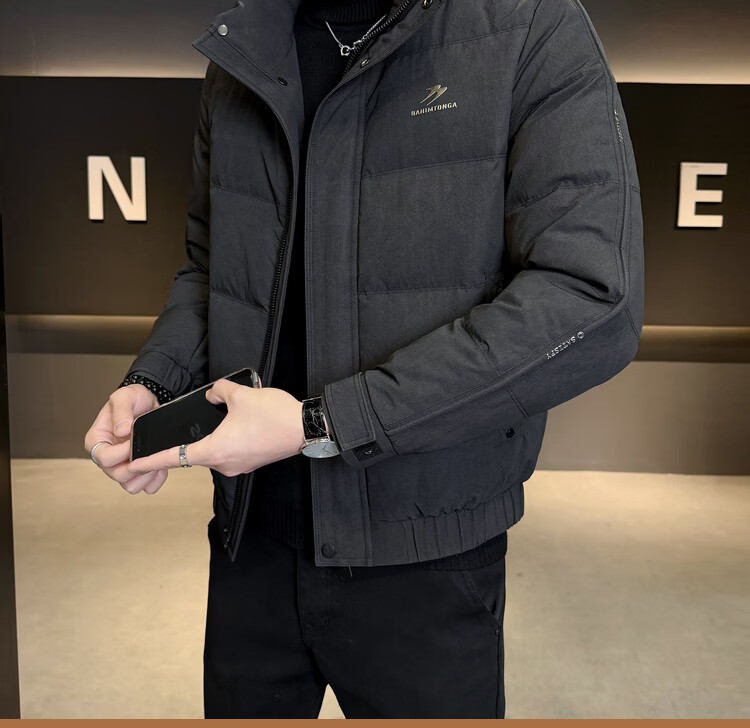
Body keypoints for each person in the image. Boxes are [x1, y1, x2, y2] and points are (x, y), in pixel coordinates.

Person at [84, 0, 644, 718]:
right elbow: (212, 267)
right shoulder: (243, 46)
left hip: (425, 555)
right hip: (250, 539)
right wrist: (155, 379)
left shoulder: (529, 26)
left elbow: (592, 297)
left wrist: (324, 422)